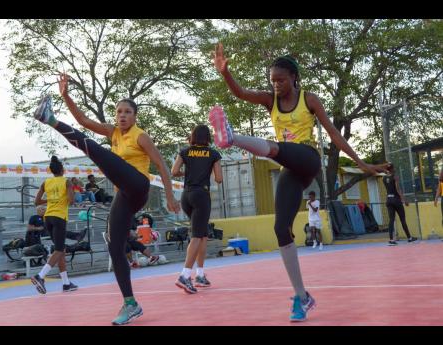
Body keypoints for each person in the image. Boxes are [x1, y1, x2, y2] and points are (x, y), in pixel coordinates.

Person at [210, 43, 388, 321]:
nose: (277, 85)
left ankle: (232, 137)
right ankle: (302, 296)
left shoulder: (310, 99)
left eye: (281, 80)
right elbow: (241, 93)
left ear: (294, 78)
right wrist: (225, 73)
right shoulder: (270, 100)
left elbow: (334, 135)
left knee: (277, 149)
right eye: (273, 81)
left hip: (307, 158)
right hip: (288, 168)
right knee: (281, 228)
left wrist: (363, 164)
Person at [33, 73, 180, 325]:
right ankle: (131, 303)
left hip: (138, 185)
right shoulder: (112, 132)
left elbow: (162, 165)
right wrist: (66, 95)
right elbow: (82, 119)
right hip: (124, 193)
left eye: (127, 112)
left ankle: (51, 120)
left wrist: (169, 195)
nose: (122, 115)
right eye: (119, 111)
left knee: (96, 151)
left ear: (135, 116)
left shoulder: (140, 135)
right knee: (115, 246)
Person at [171, 125, 223, 293]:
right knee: (197, 236)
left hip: (186, 196)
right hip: (201, 195)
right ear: (208, 137)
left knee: (202, 235)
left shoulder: (185, 152)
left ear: (192, 136)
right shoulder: (213, 154)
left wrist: (189, 173)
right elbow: (219, 179)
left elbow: (174, 171)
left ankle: (199, 274)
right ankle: (185, 275)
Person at [31, 156, 78, 294]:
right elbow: (71, 201)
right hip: (59, 217)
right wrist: (72, 190)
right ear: (62, 170)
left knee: (60, 250)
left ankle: (66, 284)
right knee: (58, 250)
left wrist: (50, 200)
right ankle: (40, 276)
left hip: (48, 218)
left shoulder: (46, 182)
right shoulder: (66, 182)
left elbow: (36, 202)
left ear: (52, 171)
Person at [382, 163, 418, 246]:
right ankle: (409, 238)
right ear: (392, 169)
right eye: (393, 168)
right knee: (402, 219)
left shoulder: (384, 178)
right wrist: (404, 200)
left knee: (391, 220)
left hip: (389, 199)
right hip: (396, 200)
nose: (394, 169)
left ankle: (391, 240)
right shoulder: (395, 176)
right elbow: (398, 189)